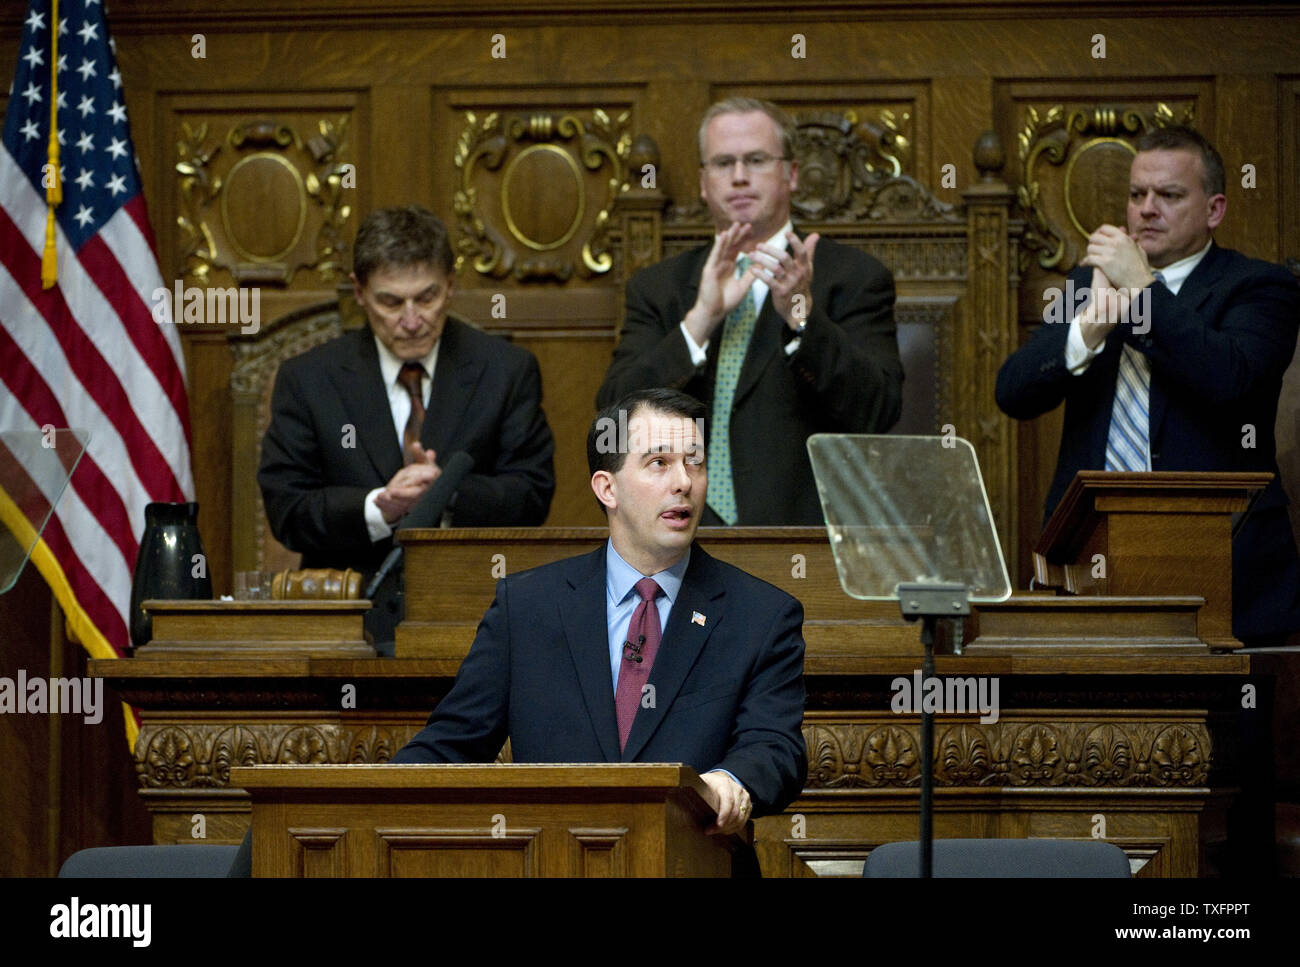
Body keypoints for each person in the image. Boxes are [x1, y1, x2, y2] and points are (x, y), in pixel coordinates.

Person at [392, 388, 809, 837]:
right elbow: (451, 747)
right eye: (659, 463)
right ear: (606, 488)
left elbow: (775, 747)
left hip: (695, 858)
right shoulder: (528, 607)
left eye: (695, 462)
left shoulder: (761, 615)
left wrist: (732, 780)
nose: (684, 482)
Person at [996, 125, 1300, 646]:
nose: (1146, 209)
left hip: (1225, 564)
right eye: (1137, 195)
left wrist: (1142, 290)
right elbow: (1014, 392)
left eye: (1169, 195)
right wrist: (1087, 329)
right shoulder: (1085, 286)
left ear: (1215, 209)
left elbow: (1233, 380)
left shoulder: (1258, 287)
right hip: (1091, 562)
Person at [258, 206, 555, 649]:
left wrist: (444, 492)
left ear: (451, 285)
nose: (412, 320)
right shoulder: (308, 380)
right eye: (391, 302)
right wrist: (379, 507)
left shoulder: (506, 371)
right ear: (359, 292)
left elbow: (531, 496)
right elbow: (288, 509)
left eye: (427, 297)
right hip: (346, 626)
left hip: (475, 620)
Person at [596, 97, 903, 526]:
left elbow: (877, 411)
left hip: (800, 539)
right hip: (678, 536)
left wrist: (800, 315)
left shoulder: (853, 278)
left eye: (756, 160)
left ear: (791, 174)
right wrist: (699, 320)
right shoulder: (658, 287)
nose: (739, 177)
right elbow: (613, 423)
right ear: (704, 182)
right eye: (723, 163)